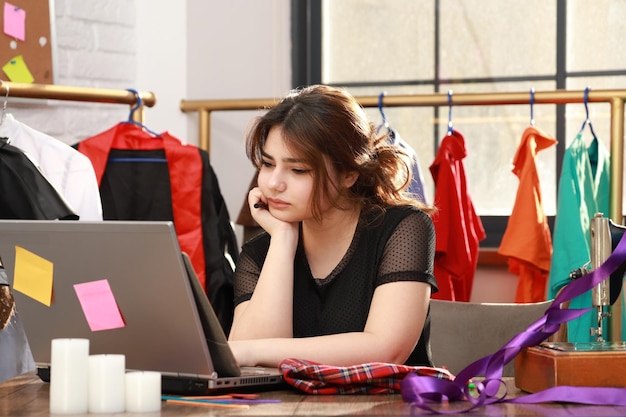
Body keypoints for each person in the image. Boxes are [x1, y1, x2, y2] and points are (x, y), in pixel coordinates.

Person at [228, 85, 438, 368]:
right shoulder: (259, 253)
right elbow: (250, 367)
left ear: (349, 173)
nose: (273, 183)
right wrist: (282, 239)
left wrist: (252, 351)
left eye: (298, 170)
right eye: (267, 164)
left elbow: (386, 350)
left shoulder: (403, 229)